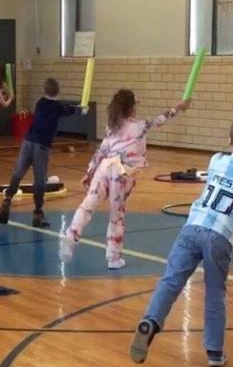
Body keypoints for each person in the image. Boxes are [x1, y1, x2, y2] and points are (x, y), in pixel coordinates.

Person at [129, 117, 233, 367]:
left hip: (192, 228)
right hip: (219, 237)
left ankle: (151, 321)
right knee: (215, 292)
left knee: (171, 281)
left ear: (229, 140)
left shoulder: (216, 160)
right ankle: (214, 351)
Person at [60, 89, 190, 269]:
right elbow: (160, 120)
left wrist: (89, 171)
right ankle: (113, 258)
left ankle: (71, 235)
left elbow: (101, 151)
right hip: (122, 174)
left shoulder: (112, 126)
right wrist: (179, 107)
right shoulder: (139, 126)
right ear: (131, 108)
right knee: (116, 217)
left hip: (105, 168)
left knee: (87, 205)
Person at [0, 78, 78, 227]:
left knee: (18, 173)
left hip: (28, 141)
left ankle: (7, 200)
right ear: (58, 91)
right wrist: (80, 109)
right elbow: (68, 110)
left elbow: (60, 108)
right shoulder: (57, 107)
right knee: (40, 179)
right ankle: (38, 213)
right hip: (42, 145)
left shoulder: (40, 103)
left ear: (44, 90)